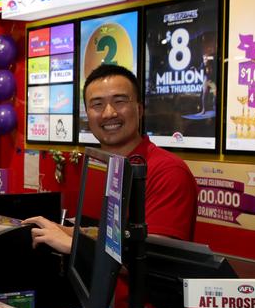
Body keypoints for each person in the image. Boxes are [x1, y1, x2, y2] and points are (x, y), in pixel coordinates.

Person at [22, 64, 198, 254]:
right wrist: (68, 232)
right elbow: (114, 235)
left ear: (139, 109)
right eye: (97, 104)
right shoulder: (105, 166)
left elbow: (152, 259)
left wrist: (75, 245)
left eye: (119, 101)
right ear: (87, 114)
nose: (109, 113)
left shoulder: (168, 171)